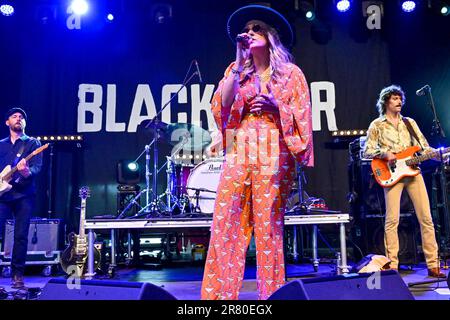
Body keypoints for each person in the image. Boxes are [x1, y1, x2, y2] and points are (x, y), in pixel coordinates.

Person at [201, 5, 314, 300]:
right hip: (240, 151)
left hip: (273, 152)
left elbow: (302, 116)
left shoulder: (291, 74)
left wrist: (278, 107)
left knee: (268, 231)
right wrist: (239, 62)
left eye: (256, 28)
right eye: (247, 30)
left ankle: (272, 296)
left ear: (271, 35)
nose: (249, 33)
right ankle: (219, 298)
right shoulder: (237, 70)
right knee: (225, 224)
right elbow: (222, 107)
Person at [364, 85, 445, 278]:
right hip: (391, 174)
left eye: (400, 98)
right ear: (386, 102)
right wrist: (385, 153)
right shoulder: (377, 125)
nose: (399, 101)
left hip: (413, 172)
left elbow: (424, 147)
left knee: (426, 219)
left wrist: (440, 155)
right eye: (394, 98)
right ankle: (392, 266)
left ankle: (433, 266)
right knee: (392, 220)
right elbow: (367, 151)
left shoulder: (410, 123)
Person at [0, 108, 43, 288]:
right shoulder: (1, 144)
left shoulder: (33, 143)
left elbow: (37, 167)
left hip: (24, 194)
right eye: (14, 116)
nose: (18, 118)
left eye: (22, 117)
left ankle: (17, 275)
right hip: (3, 194)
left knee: (21, 235)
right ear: (7, 122)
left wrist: (26, 172)